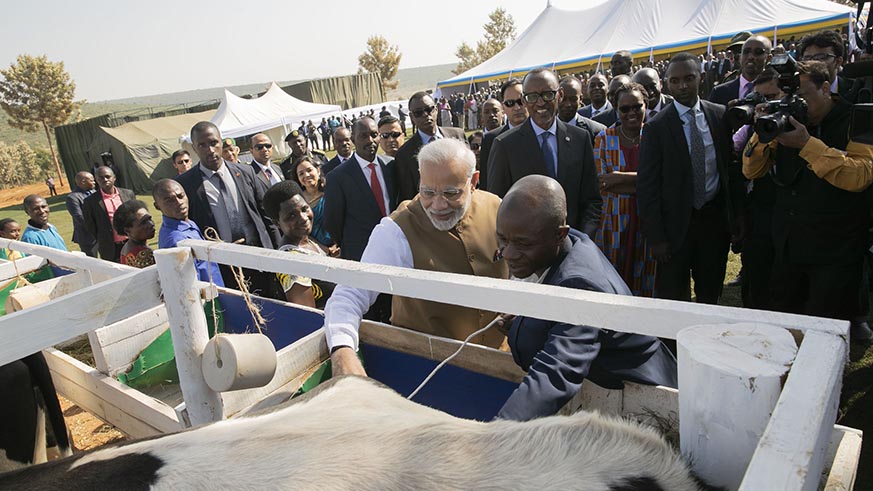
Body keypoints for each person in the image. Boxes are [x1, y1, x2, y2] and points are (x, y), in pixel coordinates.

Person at [493, 176, 677, 421]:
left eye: (522, 243)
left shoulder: (581, 285)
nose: (508, 253)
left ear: (559, 235)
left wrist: (497, 435)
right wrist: (519, 328)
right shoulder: (566, 242)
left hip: (644, 403)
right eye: (502, 239)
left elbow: (557, 372)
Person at [326, 139, 508, 376]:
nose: (438, 205)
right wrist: (342, 351)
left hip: (502, 362)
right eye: (428, 192)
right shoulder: (396, 231)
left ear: (473, 182)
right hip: (429, 369)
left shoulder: (497, 207)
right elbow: (350, 294)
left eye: (451, 193)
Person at [742, 60, 873, 342]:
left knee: (824, 331)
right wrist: (764, 132)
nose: (795, 105)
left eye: (802, 97)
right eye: (789, 97)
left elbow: (860, 175)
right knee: (786, 327)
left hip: (836, 249)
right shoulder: (786, 118)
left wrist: (807, 145)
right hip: (789, 245)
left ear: (825, 88)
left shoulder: (857, 117)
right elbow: (751, 170)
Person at [637, 53, 740, 307]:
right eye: (675, 80)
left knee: (709, 292)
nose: (682, 86)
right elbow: (648, 186)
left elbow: (730, 170)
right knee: (674, 298)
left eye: (689, 78)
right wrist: (657, 238)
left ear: (701, 78)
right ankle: (673, 345)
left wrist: (736, 219)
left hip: (714, 224)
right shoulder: (656, 127)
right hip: (674, 230)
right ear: (667, 83)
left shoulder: (719, 115)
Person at [488, 68, 602, 237]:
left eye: (548, 94)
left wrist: (583, 238)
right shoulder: (505, 145)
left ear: (560, 95)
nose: (540, 103)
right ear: (524, 100)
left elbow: (592, 199)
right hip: (527, 250)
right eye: (532, 97)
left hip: (574, 245)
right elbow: (496, 204)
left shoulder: (580, 138)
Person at [176, 121, 280, 296]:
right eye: (202, 145)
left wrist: (280, 253)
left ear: (221, 142)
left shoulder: (246, 173)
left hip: (259, 259)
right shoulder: (186, 184)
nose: (210, 150)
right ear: (194, 148)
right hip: (221, 267)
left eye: (214, 143)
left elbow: (267, 217)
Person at [594, 82, 656, 297]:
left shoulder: (654, 136)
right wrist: (644, 182)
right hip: (614, 223)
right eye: (625, 109)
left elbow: (659, 181)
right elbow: (602, 182)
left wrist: (618, 178)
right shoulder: (604, 138)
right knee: (613, 281)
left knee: (646, 280)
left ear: (646, 106)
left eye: (637, 107)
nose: (632, 113)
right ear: (616, 109)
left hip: (648, 221)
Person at [323, 117, 396, 262]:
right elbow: (333, 222)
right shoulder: (337, 177)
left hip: (395, 247)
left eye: (374, 135)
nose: (370, 140)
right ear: (353, 140)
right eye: (363, 136)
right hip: (361, 254)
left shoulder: (391, 166)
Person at [263, 181, 335, 309]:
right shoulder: (290, 262)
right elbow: (309, 316)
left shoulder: (308, 240)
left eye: (304, 209)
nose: (303, 218)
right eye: (291, 216)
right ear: (277, 223)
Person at [394, 92, 467, 203]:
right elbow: (408, 197)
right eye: (418, 113)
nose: (425, 115)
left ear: (436, 110)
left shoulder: (458, 135)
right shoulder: (404, 154)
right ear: (411, 117)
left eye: (429, 109)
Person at [153, 179, 224, 287]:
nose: (178, 202)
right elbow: (189, 286)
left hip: (217, 291)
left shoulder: (188, 223)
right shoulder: (175, 240)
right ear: (157, 206)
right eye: (169, 200)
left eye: (180, 196)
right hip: (207, 299)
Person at [479, 79, 529, 192]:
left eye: (520, 101)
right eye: (510, 103)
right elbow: (486, 183)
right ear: (503, 107)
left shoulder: (543, 134)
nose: (517, 108)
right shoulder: (491, 139)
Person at [84, 166, 136, 262]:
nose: (105, 179)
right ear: (96, 180)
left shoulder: (128, 194)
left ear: (114, 178)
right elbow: (90, 226)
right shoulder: (90, 201)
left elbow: (136, 217)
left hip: (132, 242)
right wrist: (103, 239)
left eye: (107, 176)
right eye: (101, 177)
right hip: (111, 248)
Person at [290, 155, 338, 256]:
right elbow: (302, 231)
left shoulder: (333, 191)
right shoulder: (298, 201)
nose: (306, 175)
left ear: (318, 171)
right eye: (301, 174)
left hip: (341, 245)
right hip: (316, 251)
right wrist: (323, 248)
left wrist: (338, 245)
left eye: (309, 170)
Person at [710, 35, 772, 106]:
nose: (750, 57)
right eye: (746, 51)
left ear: (769, 58)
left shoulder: (777, 91)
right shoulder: (719, 92)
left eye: (758, 52)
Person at [797, 30, 852, 102]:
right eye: (807, 58)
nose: (813, 62)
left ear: (838, 62)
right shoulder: (797, 93)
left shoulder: (854, 90)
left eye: (821, 57)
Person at [557, 76, 607, 145]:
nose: (568, 104)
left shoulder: (597, 131)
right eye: (563, 99)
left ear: (580, 99)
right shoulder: (546, 130)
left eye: (573, 99)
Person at [113, 200, 155, 267]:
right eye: (143, 222)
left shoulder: (127, 248)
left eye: (150, 219)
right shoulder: (144, 255)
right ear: (128, 231)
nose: (151, 224)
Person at [66, 170, 98, 257]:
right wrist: (95, 228)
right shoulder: (73, 197)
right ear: (83, 182)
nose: (94, 182)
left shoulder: (94, 192)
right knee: (92, 262)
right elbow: (79, 217)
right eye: (91, 180)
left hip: (101, 234)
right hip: (87, 236)